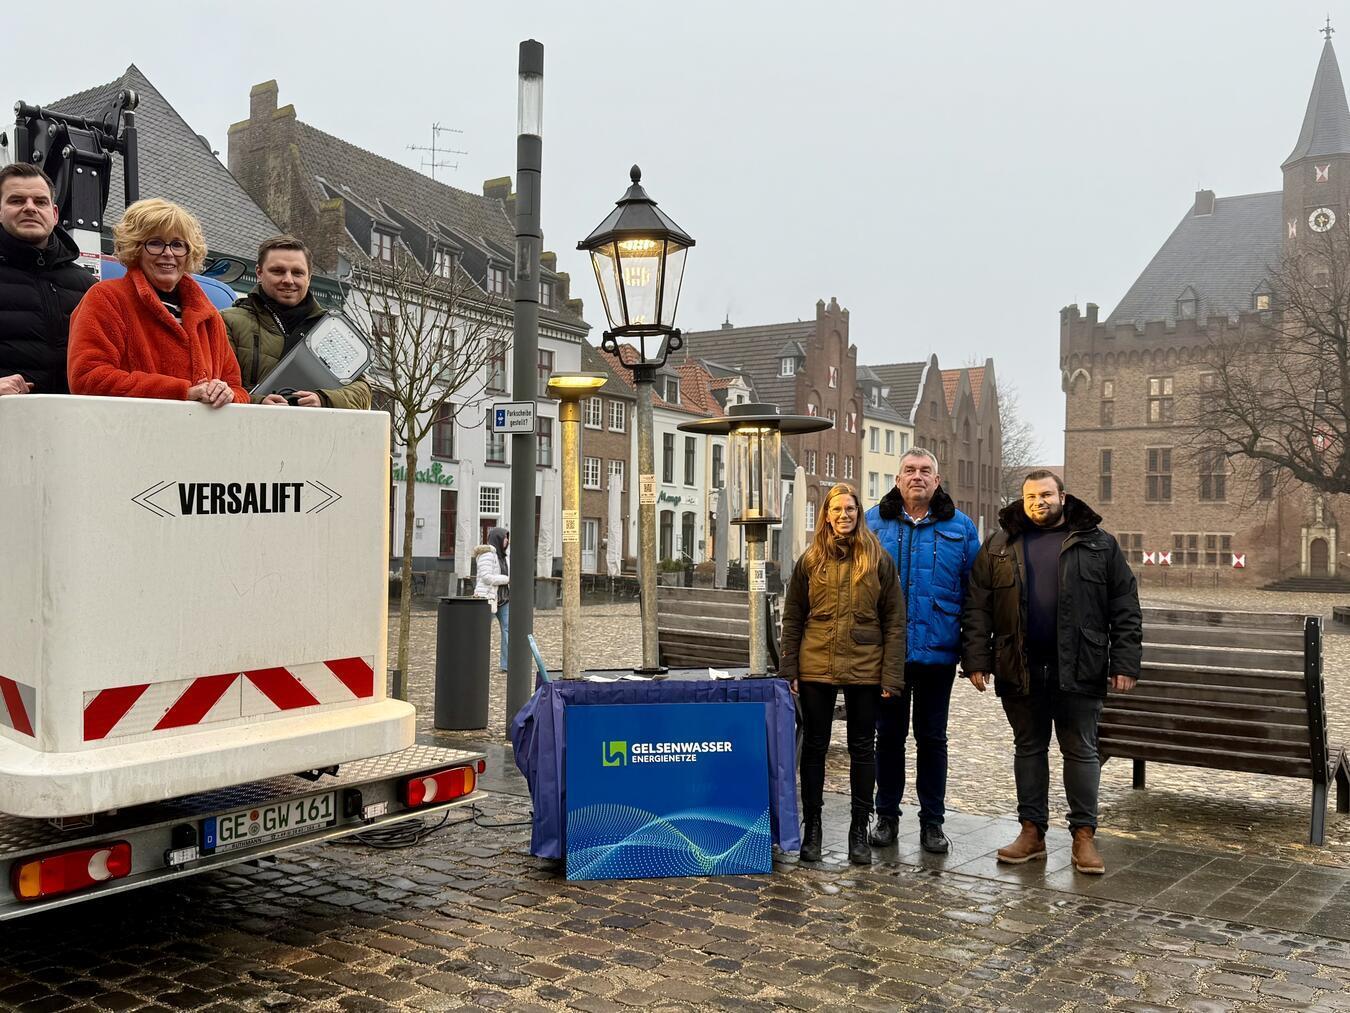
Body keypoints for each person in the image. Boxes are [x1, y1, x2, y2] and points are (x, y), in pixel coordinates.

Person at [961, 470, 1142, 875]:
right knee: (1028, 748)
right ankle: (1031, 832)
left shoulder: (1098, 544)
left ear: (1063, 495)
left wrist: (1125, 662)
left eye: (1046, 494)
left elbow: (1125, 605)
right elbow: (978, 606)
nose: (1038, 502)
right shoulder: (999, 544)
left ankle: (1083, 836)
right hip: (1019, 664)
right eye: (1030, 496)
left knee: (1080, 749)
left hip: (1081, 664)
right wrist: (976, 657)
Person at [779, 482, 905, 866]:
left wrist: (891, 675)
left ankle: (857, 830)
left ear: (858, 513)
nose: (843, 516)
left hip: (865, 666)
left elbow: (895, 621)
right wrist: (789, 667)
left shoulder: (878, 558)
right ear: (826, 515)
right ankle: (813, 827)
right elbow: (794, 615)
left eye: (850, 509)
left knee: (862, 748)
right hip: (816, 663)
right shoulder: (810, 559)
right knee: (815, 745)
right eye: (837, 509)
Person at [864, 448, 981, 855]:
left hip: (937, 654)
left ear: (937, 479)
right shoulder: (873, 523)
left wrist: (974, 655)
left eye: (925, 471)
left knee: (932, 739)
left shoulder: (961, 528)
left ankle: (932, 822)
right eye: (909, 471)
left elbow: (976, 596)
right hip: (887, 657)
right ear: (897, 480)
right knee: (888, 739)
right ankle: (887, 817)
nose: (917, 477)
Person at [67, 199, 248, 405]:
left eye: (178, 245)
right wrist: (181, 391)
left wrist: (228, 394)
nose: (168, 253)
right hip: (133, 433)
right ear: (135, 249)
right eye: (155, 243)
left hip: (200, 435)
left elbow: (236, 388)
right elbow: (88, 377)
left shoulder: (209, 315)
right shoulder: (106, 298)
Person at [223, 235, 371, 409]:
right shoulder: (227, 321)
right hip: (248, 430)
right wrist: (258, 402)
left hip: (314, 432)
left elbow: (362, 390)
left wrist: (324, 399)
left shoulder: (329, 327)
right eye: (278, 271)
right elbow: (219, 385)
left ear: (309, 277)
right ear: (259, 273)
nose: (288, 280)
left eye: (297, 273)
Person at [0, 163, 95, 395]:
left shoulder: (88, 287)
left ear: (54, 214)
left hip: (74, 424)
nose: (30, 208)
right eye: (17, 200)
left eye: (40, 201)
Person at [473, 527, 511, 672]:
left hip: (504, 599)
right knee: (481, 632)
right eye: (505, 537)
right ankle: (477, 662)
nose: (507, 540)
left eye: (507, 538)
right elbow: (486, 577)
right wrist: (507, 579)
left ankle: (507, 664)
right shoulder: (487, 555)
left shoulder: (505, 557)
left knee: (509, 630)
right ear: (498, 538)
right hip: (487, 599)